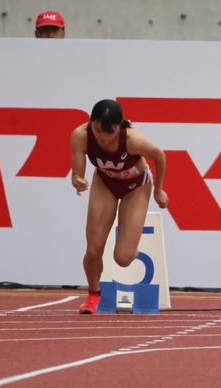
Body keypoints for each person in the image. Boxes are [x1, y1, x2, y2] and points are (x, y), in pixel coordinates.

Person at [71, 99, 168, 314]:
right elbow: (76, 172)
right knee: (93, 248)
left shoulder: (133, 140)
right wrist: (77, 179)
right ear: (91, 123)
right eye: (98, 130)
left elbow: (160, 156)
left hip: (136, 186)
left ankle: (131, 242)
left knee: (123, 258)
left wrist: (158, 190)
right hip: (105, 183)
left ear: (120, 126)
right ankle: (93, 295)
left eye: (109, 132)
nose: (103, 137)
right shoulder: (81, 135)